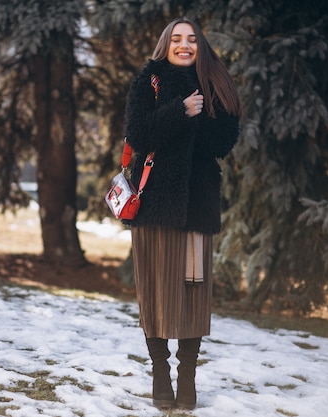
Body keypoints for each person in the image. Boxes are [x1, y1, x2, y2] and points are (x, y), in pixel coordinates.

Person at [123, 17, 241, 410]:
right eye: (177, 39)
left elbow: (223, 141)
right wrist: (181, 111)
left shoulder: (215, 83)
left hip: (197, 204)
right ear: (165, 44)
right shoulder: (150, 80)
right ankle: (160, 375)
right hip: (154, 205)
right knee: (155, 293)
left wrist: (195, 119)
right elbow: (138, 136)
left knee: (193, 297)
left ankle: (187, 377)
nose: (184, 45)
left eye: (191, 39)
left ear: (200, 45)